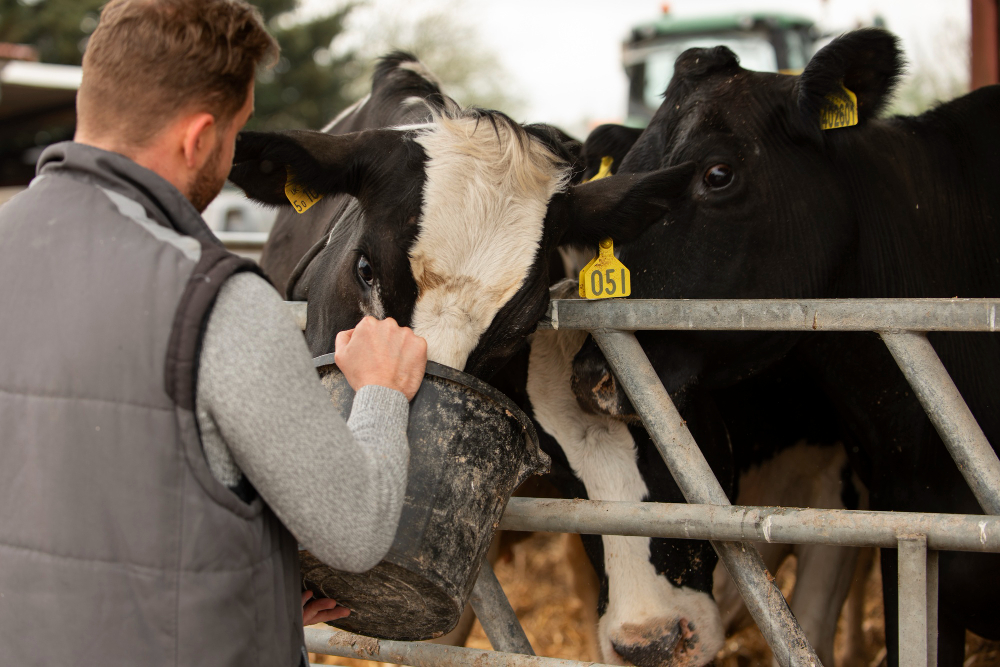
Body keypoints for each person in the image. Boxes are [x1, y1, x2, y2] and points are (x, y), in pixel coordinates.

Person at [0, 1, 427, 665]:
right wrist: (382, 391)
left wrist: (258, 594)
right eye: (237, 130)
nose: (234, 153)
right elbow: (354, 529)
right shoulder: (215, 302)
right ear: (200, 137)